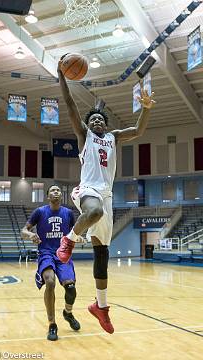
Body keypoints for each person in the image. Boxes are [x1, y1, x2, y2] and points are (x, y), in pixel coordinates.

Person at [56, 60, 155, 334]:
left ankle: (100, 306)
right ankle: (69, 240)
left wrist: (145, 109)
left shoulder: (113, 137)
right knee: (94, 212)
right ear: (88, 125)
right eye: (93, 119)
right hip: (87, 190)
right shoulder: (84, 136)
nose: (96, 121)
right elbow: (70, 106)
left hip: (107, 195)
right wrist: (61, 77)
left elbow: (138, 131)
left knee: (102, 255)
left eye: (100, 119)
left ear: (106, 123)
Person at [21, 185, 81, 341]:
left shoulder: (68, 213)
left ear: (61, 195)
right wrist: (30, 234)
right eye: (53, 190)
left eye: (58, 190)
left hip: (63, 254)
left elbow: (75, 232)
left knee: (71, 288)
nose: (56, 192)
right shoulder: (40, 212)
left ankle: (68, 313)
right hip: (46, 253)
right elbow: (23, 231)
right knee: (50, 282)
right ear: (48, 196)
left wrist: (78, 237)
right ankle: (52, 324)